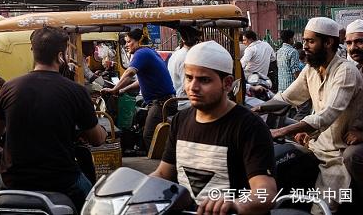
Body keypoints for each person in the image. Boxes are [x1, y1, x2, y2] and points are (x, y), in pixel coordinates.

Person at [151, 41, 277, 214]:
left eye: (204, 80)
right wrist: (135, 190)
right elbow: (164, 174)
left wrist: (236, 204)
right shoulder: (181, 119)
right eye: (189, 77)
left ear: (227, 83)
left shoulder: (249, 126)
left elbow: (266, 192)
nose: (193, 87)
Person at [0, 26, 106, 210]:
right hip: (62, 181)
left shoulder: (9, 88)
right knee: (94, 205)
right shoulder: (76, 91)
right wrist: (103, 131)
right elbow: (97, 139)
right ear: (61, 55)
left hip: (12, 180)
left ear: (33, 51)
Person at [262, 17, 363, 213]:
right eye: (350, 42)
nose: (305, 46)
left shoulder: (346, 71)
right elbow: (286, 98)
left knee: (323, 207)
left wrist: (281, 130)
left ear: (329, 43)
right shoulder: (312, 69)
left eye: (310, 41)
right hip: (321, 143)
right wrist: (250, 111)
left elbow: (327, 115)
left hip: (338, 150)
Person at [102, 29, 176, 151]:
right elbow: (140, 82)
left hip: (162, 103)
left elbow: (129, 72)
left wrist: (114, 89)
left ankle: (162, 166)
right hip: (162, 101)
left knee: (149, 135)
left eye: (129, 42)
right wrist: (122, 90)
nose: (126, 45)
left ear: (139, 41)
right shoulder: (150, 52)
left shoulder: (141, 53)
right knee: (140, 124)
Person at [343, 19, 363, 203]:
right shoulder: (353, 71)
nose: (353, 47)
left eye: (359, 41)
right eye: (349, 43)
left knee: (352, 156)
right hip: (351, 133)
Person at [168, 27, 199, 110]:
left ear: (182, 39)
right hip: (186, 103)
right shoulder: (187, 57)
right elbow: (187, 87)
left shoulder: (176, 54)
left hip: (180, 100)